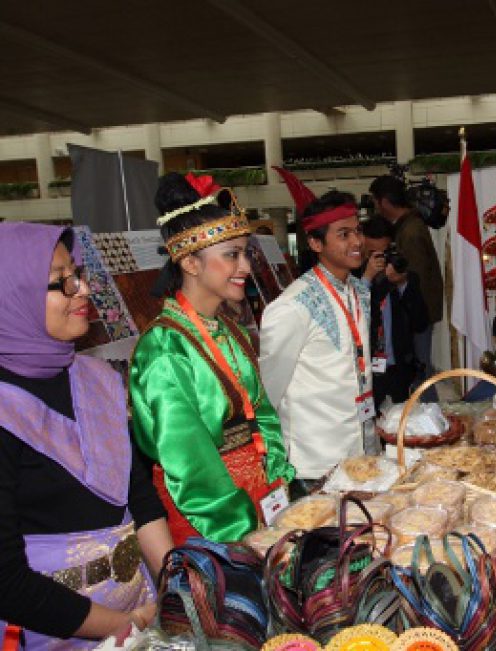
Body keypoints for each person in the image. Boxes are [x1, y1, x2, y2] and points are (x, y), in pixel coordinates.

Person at [0, 223, 172, 648]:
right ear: (12, 294)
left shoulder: (96, 378)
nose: (83, 290)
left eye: (78, 275)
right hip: (52, 631)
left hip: (140, 614)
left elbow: (137, 495)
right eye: (63, 281)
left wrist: (177, 583)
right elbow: (6, 579)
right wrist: (120, 624)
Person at [129, 173, 295, 546]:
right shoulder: (164, 347)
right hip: (210, 515)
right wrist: (240, 527)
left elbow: (262, 412)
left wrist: (278, 480)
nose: (246, 268)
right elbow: (189, 462)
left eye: (245, 254)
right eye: (231, 255)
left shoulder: (230, 328)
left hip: (260, 495)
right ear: (190, 263)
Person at [260, 191, 377, 483]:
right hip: (317, 462)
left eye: (358, 231)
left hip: (363, 449)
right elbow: (269, 389)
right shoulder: (292, 306)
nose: (357, 242)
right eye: (343, 234)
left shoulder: (359, 290)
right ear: (315, 243)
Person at [369, 175, 444, 391]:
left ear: (383, 201)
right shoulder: (409, 225)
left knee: (420, 372)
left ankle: (429, 418)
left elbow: (414, 279)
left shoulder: (410, 231)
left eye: (375, 202)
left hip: (416, 314)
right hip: (415, 312)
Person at [358, 215, 428, 407]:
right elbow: (356, 317)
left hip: (399, 369)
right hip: (367, 371)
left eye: (384, 253)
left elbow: (421, 322)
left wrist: (403, 285)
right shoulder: (354, 280)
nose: (379, 260)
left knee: (401, 425)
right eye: (372, 253)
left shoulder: (405, 277)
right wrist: (367, 279)